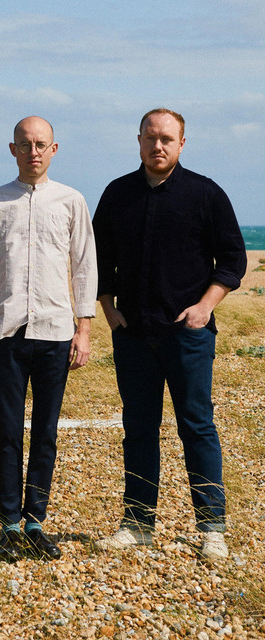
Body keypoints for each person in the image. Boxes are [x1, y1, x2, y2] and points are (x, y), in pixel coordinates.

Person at [92, 108, 247, 562]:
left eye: (167, 139)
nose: (158, 146)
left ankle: (211, 527)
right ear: (138, 140)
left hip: (188, 334)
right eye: (150, 138)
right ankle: (138, 525)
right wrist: (108, 308)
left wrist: (204, 307)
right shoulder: (118, 194)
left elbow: (233, 258)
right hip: (133, 334)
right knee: (139, 428)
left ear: (182, 143)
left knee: (197, 427)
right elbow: (98, 257)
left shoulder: (206, 194)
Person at [0, 116, 97, 560]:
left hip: (56, 333)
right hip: (5, 334)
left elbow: (84, 266)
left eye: (41, 144)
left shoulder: (71, 201)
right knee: (7, 433)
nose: (33, 152)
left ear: (54, 149)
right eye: (25, 145)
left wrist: (84, 329)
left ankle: (35, 521)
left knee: (45, 432)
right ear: (12, 149)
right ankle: (8, 524)